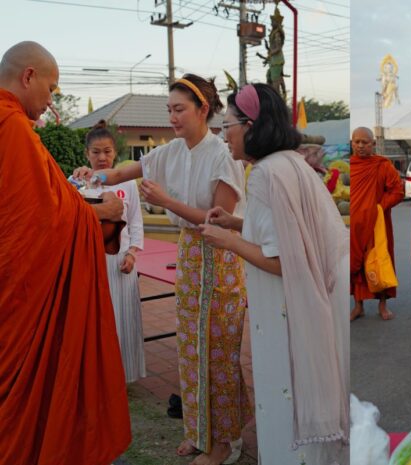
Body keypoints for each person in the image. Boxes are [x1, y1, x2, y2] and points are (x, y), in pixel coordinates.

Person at [74, 74, 250, 465]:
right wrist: (94, 176)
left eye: (179, 109)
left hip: (220, 256)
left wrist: (168, 200)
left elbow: (222, 220)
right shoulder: (170, 152)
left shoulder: (221, 156)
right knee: (189, 348)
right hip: (190, 254)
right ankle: (198, 431)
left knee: (218, 351)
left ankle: (225, 441)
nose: (172, 117)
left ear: (203, 109)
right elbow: (121, 173)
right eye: (168, 109)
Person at [199, 83, 349, 465]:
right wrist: (236, 223)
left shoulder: (265, 174)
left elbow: (284, 260)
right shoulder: (291, 162)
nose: (224, 135)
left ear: (251, 126)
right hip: (314, 298)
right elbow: (287, 230)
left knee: (284, 397)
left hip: (287, 309)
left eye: (227, 125)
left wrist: (226, 241)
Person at [0, 41, 130, 464]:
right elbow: (41, 223)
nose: (51, 102)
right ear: (28, 77)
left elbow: (42, 205)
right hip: (18, 294)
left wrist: (85, 210)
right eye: (51, 89)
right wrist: (102, 214)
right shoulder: (13, 129)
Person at [84, 120, 146, 383]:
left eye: (107, 151)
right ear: (87, 154)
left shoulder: (128, 185)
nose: (102, 157)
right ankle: (95, 375)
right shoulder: (78, 183)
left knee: (123, 317)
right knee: (94, 320)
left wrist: (132, 254)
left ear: (115, 154)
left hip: (121, 262)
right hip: (88, 263)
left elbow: (135, 223)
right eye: (96, 152)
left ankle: (123, 374)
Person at [350, 126, 404, 321]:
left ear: (373, 144)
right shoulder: (349, 166)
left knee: (380, 261)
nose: (361, 146)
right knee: (356, 264)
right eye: (357, 142)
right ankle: (358, 306)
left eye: (365, 142)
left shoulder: (383, 165)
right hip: (355, 227)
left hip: (377, 225)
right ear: (352, 143)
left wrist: (379, 208)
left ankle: (383, 305)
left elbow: (398, 191)